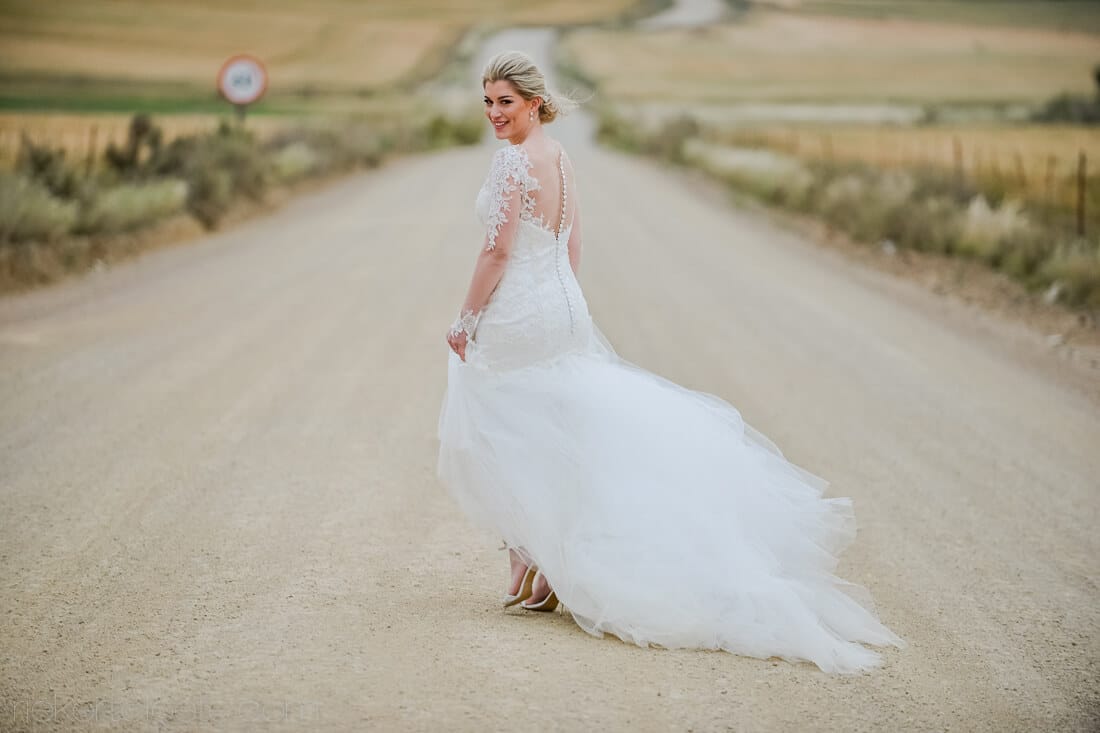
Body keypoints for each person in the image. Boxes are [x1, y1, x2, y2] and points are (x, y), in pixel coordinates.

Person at [437, 51, 905, 674]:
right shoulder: (560, 157)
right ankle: (537, 563)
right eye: (488, 102)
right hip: (561, 305)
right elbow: (571, 242)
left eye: (506, 102)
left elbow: (495, 253)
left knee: (503, 424)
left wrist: (466, 319)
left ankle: (532, 558)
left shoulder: (512, 162)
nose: (495, 114)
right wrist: (559, 302)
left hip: (524, 308)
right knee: (558, 425)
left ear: (534, 103)